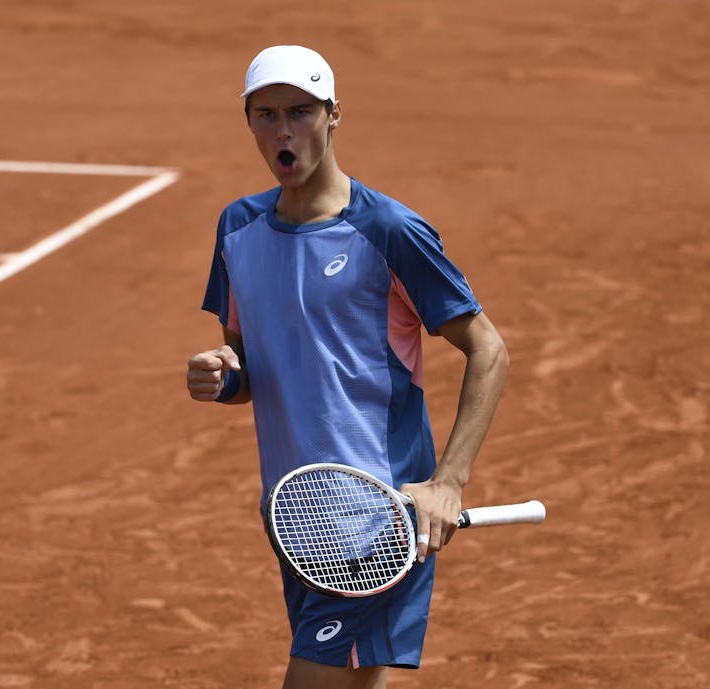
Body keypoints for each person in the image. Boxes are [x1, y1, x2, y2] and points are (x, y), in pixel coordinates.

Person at [186, 45, 510, 689]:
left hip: (376, 520)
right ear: (248, 122)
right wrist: (222, 378)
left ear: (334, 116)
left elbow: (488, 349)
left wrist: (448, 481)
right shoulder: (237, 229)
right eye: (267, 114)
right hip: (295, 513)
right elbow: (251, 365)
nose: (284, 130)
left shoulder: (389, 230)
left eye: (301, 112)